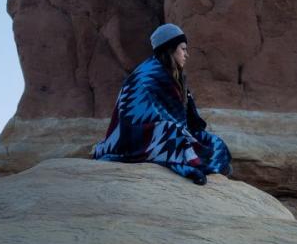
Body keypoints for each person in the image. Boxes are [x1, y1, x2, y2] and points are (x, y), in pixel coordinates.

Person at [92, 23, 232, 185]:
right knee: (173, 133)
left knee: (214, 142)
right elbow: (136, 118)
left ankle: (195, 162)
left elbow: (186, 118)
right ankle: (188, 167)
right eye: (183, 49)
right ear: (170, 49)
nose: (187, 55)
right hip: (135, 137)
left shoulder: (173, 75)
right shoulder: (146, 75)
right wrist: (177, 129)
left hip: (167, 131)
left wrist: (188, 130)